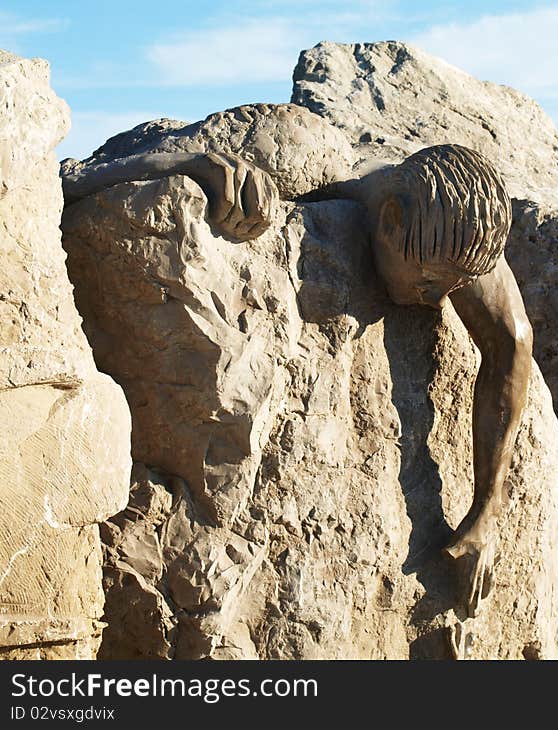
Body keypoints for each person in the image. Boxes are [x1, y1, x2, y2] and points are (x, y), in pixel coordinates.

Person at [61, 143, 533, 618]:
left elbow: (512, 343)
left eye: (452, 289)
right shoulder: (312, 164)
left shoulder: (448, 235)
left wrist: (486, 511)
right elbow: (72, 181)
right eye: (430, 282)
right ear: (390, 220)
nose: (437, 302)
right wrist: (192, 166)